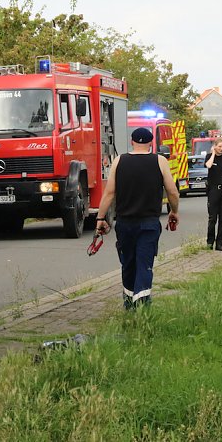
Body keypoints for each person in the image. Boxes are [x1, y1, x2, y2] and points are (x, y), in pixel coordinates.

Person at [95, 127, 180, 309]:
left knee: (128, 263)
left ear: (132, 141)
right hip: (149, 222)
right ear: (150, 143)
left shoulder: (119, 161)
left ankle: (129, 305)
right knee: (144, 263)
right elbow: (172, 191)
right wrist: (174, 211)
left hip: (125, 223)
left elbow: (109, 193)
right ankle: (142, 305)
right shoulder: (160, 161)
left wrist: (100, 219)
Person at [205, 138, 222, 251]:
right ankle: (210, 242)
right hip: (213, 190)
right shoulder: (209, 157)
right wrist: (213, 154)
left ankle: (219, 243)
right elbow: (209, 165)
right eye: (219, 146)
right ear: (214, 146)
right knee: (212, 218)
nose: (221, 148)